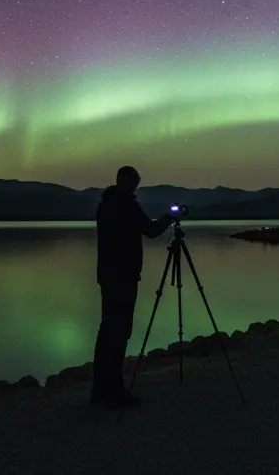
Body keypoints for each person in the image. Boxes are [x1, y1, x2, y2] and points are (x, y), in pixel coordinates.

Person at [91, 165, 172, 407]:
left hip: (107, 276)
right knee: (119, 332)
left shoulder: (104, 205)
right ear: (127, 183)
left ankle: (99, 390)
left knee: (106, 331)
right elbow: (151, 230)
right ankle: (115, 391)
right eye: (134, 184)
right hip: (123, 277)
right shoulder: (126, 205)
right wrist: (170, 217)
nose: (135, 189)